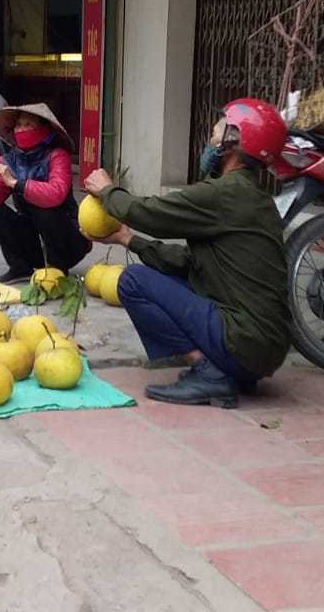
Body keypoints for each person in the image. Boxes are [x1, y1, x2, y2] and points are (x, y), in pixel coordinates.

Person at [82, 98, 291, 408]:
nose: (210, 138)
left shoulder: (224, 194)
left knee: (133, 282)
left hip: (245, 339)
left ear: (233, 142)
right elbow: (190, 263)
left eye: (216, 131)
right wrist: (126, 239)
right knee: (165, 277)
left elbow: (149, 213)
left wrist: (107, 190)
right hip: (262, 346)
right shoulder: (252, 197)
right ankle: (229, 369)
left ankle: (210, 374)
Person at [0, 103, 91, 283]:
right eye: (18, 125)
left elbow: (56, 193)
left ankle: (57, 269)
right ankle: (21, 266)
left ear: (45, 130)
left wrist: (16, 183)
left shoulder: (57, 156)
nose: (21, 129)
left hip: (67, 238)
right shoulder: (9, 161)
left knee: (45, 210)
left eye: (28, 124)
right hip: (32, 237)